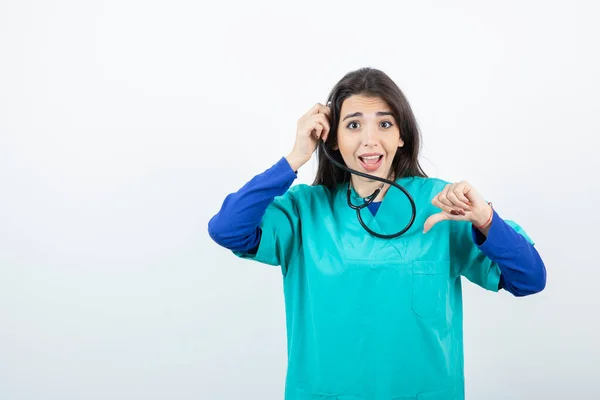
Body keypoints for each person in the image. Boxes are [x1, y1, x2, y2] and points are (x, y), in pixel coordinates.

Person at [207, 67, 546, 400]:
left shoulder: (444, 206)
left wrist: (486, 219)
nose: (370, 140)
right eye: (353, 125)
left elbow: (530, 279)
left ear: (402, 136)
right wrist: (296, 157)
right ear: (333, 140)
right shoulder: (304, 211)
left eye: (385, 124)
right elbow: (227, 229)